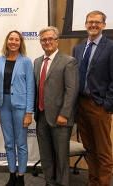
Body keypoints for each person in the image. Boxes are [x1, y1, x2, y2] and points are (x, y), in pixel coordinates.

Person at [34, 26, 78, 186]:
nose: (47, 42)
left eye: (50, 39)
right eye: (43, 40)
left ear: (57, 40)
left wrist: (64, 114)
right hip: (41, 116)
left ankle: (62, 183)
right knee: (46, 155)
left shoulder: (68, 61)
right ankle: (49, 182)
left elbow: (71, 90)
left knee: (61, 156)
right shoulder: (37, 62)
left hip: (60, 117)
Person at [73, 10, 113, 186]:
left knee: (103, 151)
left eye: (97, 22)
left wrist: (107, 104)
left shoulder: (110, 47)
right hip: (80, 105)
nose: (93, 25)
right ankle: (93, 182)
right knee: (89, 149)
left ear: (104, 25)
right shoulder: (78, 48)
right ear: (85, 24)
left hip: (98, 105)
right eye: (90, 22)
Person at [0, 30, 34, 186]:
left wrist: (29, 112)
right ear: (7, 41)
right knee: (9, 143)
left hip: (21, 107)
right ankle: (12, 175)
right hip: (3, 105)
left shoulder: (26, 62)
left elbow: (30, 88)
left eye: (17, 39)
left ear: (20, 42)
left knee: (21, 143)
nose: (13, 42)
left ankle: (21, 176)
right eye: (11, 39)